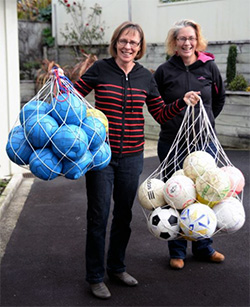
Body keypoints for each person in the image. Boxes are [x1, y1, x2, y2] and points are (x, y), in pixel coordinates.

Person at [74, 21, 200, 299]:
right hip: (100, 156)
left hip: (132, 156)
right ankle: (95, 276)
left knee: (123, 216)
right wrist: (60, 87)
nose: (128, 46)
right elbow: (73, 97)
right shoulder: (100, 69)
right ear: (115, 42)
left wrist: (182, 101)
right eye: (123, 41)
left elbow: (161, 113)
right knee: (98, 216)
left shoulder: (146, 76)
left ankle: (117, 267)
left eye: (134, 43)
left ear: (140, 47)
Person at [154, 19, 226, 270]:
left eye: (191, 38)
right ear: (174, 42)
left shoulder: (209, 67)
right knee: (176, 196)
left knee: (204, 196)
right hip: (173, 143)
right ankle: (177, 251)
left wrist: (203, 126)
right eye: (182, 38)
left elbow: (217, 101)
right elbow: (158, 108)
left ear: (198, 40)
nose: (187, 43)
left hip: (204, 144)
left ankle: (204, 247)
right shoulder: (164, 71)